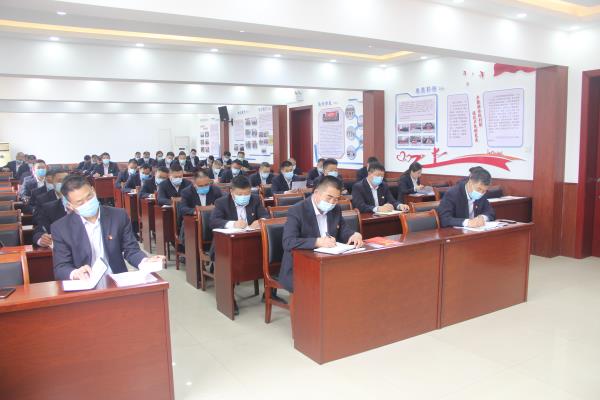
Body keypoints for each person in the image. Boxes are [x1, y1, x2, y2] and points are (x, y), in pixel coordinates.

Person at [51, 174, 164, 281]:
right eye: (80, 203)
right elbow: (61, 267)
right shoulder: (61, 228)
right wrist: (75, 273)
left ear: (93, 191)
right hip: (85, 283)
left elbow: (131, 250)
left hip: (116, 279)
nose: (87, 203)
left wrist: (145, 261)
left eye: (89, 197)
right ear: (70, 205)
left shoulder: (118, 216)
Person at [280, 176, 363, 292]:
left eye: (336, 199)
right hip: (300, 266)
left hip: (328, 263)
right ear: (316, 193)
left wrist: (354, 235)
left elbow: (343, 229)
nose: (332, 202)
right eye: (329, 197)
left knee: (352, 279)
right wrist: (317, 242)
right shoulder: (297, 210)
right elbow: (288, 242)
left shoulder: (335, 209)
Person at [32, 170, 70, 248]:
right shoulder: (48, 207)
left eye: (66, 180)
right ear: (52, 182)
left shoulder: (85, 206)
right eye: (60, 181)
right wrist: (41, 238)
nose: (63, 183)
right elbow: (40, 229)